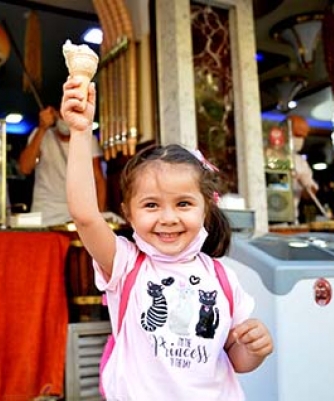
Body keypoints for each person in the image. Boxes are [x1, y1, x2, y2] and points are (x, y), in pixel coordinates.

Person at [61, 76, 273, 400]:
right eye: (151, 205)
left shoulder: (222, 277)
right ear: (128, 213)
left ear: (206, 208)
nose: (168, 218)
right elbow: (85, 216)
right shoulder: (125, 265)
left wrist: (255, 348)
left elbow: (237, 360)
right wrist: (80, 132)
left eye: (183, 204)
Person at [18, 105, 106, 226]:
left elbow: (99, 180)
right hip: (45, 211)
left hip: (77, 212)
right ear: (54, 113)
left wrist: (99, 216)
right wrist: (42, 128)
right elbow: (25, 168)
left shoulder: (88, 140)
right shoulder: (42, 135)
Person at [288, 115, 319, 222]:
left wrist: (308, 186)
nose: (300, 140)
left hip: (292, 218)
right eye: (297, 135)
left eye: (303, 137)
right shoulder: (268, 155)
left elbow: (309, 196)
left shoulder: (300, 162)